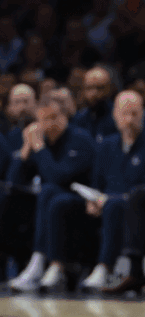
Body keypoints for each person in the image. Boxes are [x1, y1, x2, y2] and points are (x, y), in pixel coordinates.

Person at [80, 91, 145, 290]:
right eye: (124, 114)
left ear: (143, 116)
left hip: (137, 211)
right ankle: (59, 267)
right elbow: (96, 183)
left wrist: (110, 199)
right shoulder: (106, 146)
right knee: (68, 204)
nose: (129, 120)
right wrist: (91, 200)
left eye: (134, 114)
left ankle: (105, 267)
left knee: (113, 205)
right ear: (115, 115)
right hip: (105, 203)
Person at [5, 94, 96, 292]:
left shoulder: (81, 139)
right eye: (44, 119)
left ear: (65, 117)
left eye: (54, 117)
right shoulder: (41, 143)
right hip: (50, 201)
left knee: (50, 192)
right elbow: (14, 181)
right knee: (15, 198)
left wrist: (39, 147)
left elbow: (59, 178)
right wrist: (26, 148)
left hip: (83, 201)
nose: (49, 124)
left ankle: (44, 262)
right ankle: (31, 263)